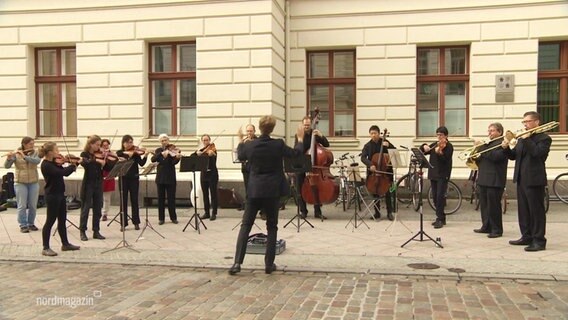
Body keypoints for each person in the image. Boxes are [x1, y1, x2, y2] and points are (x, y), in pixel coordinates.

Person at [229, 115, 304, 275]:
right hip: (272, 190)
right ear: (272, 129)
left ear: (259, 128)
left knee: (245, 226)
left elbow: (241, 155)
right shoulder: (278, 144)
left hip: (254, 190)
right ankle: (269, 264)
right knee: (272, 226)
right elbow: (296, 153)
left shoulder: (251, 145)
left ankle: (237, 263)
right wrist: (300, 138)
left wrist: (241, 139)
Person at [502, 111, 551, 251]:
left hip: (535, 180)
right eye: (523, 122)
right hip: (521, 178)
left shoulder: (544, 138)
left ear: (536, 122)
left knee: (536, 211)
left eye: (527, 122)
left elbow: (537, 154)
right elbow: (514, 156)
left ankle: (539, 241)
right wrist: (505, 148)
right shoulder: (523, 139)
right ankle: (526, 236)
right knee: (523, 210)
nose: (525, 124)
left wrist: (527, 139)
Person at [39, 142, 81, 256]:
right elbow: (63, 173)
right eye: (56, 150)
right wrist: (73, 165)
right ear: (50, 152)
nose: (59, 153)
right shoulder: (46, 165)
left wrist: (72, 163)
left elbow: (62, 169)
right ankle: (45, 247)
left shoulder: (54, 162)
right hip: (52, 195)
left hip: (60, 194)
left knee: (62, 220)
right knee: (50, 221)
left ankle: (65, 244)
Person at [473, 123, 508, 238]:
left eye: (492, 131)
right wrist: (476, 155)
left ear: (499, 132)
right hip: (483, 178)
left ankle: (497, 229)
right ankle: (486, 226)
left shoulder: (502, 143)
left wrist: (482, 148)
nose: (489, 133)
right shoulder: (488, 144)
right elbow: (480, 161)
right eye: (489, 130)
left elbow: (496, 157)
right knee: (484, 205)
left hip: (495, 179)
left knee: (494, 206)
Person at [295, 115, 330, 220]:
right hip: (302, 164)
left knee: (315, 188)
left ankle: (317, 212)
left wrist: (321, 135)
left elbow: (327, 144)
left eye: (308, 125)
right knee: (299, 189)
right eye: (305, 125)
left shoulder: (315, 134)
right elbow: (297, 150)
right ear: (302, 125)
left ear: (311, 125)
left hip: (314, 165)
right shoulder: (298, 135)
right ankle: (303, 211)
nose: (306, 127)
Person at [3, 136, 40, 233]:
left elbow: (36, 161)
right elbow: (7, 166)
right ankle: (23, 224)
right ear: (24, 144)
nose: (32, 146)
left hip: (33, 181)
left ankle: (31, 223)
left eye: (33, 144)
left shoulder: (35, 153)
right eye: (30, 144)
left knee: (32, 205)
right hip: (20, 182)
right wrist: (9, 158)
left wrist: (24, 156)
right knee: (22, 205)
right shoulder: (17, 153)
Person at [420, 126, 453, 229]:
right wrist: (424, 146)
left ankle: (440, 219)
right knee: (434, 197)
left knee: (440, 197)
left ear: (446, 136)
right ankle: (441, 217)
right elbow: (424, 151)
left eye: (441, 135)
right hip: (433, 174)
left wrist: (440, 153)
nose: (439, 137)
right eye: (437, 135)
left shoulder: (449, 146)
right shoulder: (435, 144)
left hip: (443, 174)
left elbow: (445, 160)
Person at [361, 125, 395, 221]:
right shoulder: (367, 146)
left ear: (379, 133)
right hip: (373, 173)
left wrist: (389, 146)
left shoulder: (384, 142)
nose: (373, 135)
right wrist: (370, 164)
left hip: (385, 172)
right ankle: (377, 213)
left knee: (387, 192)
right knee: (375, 192)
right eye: (371, 133)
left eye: (375, 133)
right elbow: (363, 157)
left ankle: (389, 213)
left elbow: (393, 152)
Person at [79, 135, 109, 241]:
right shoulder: (84, 154)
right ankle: (82, 231)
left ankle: (96, 230)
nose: (99, 147)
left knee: (98, 207)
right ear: (91, 144)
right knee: (86, 208)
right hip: (88, 183)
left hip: (99, 182)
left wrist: (107, 159)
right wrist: (97, 160)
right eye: (97, 145)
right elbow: (85, 163)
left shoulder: (101, 154)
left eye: (99, 145)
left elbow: (107, 167)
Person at [116, 135, 149, 231]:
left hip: (134, 178)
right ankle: (123, 223)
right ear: (123, 143)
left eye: (131, 142)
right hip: (123, 178)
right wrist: (130, 154)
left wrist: (146, 155)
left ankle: (136, 222)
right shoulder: (119, 152)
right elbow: (121, 157)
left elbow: (142, 163)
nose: (130, 144)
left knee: (134, 200)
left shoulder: (135, 153)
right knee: (123, 201)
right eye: (128, 142)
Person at [237, 124, 266, 220]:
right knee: (248, 191)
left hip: (256, 170)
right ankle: (249, 212)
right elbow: (240, 155)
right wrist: (241, 142)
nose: (249, 133)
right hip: (246, 170)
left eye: (251, 131)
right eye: (248, 131)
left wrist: (251, 144)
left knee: (260, 191)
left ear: (254, 131)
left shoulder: (258, 141)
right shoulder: (244, 142)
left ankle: (263, 211)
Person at [151, 134, 180, 225]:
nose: (164, 142)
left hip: (170, 177)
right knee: (161, 199)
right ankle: (161, 218)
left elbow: (173, 163)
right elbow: (153, 159)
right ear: (160, 142)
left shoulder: (173, 149)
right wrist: (162, 154)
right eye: (162, 141)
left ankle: (173, 218)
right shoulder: (158, 150)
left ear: (168, 140)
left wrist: (177, 158)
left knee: (171, 199)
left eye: (166, 140)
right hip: (161, 178)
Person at [196, 134, 219, 221]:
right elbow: (194, 157)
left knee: (213, 194)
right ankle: (207, 212)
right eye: (204, 140)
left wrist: (212, 154)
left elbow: (214, 160)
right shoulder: (201, 151)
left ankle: (214, 213)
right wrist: (197, 154)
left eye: (207, 140)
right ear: (202, 141)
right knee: (205, 194)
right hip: (204, 175)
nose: (206, 142)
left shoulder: (213, 149)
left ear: (209, 140)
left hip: (212, 174)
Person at [100, 139, 115, 222]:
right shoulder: (98, 154)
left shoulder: (111, 155)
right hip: (99, 177)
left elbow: (112, 166)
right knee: (98, 197)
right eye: (104, 146)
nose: (106, 147)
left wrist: (111, 156)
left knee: (106, 198)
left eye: (107, 145)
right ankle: (98, 213)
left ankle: (104, 214)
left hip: (108, 176)